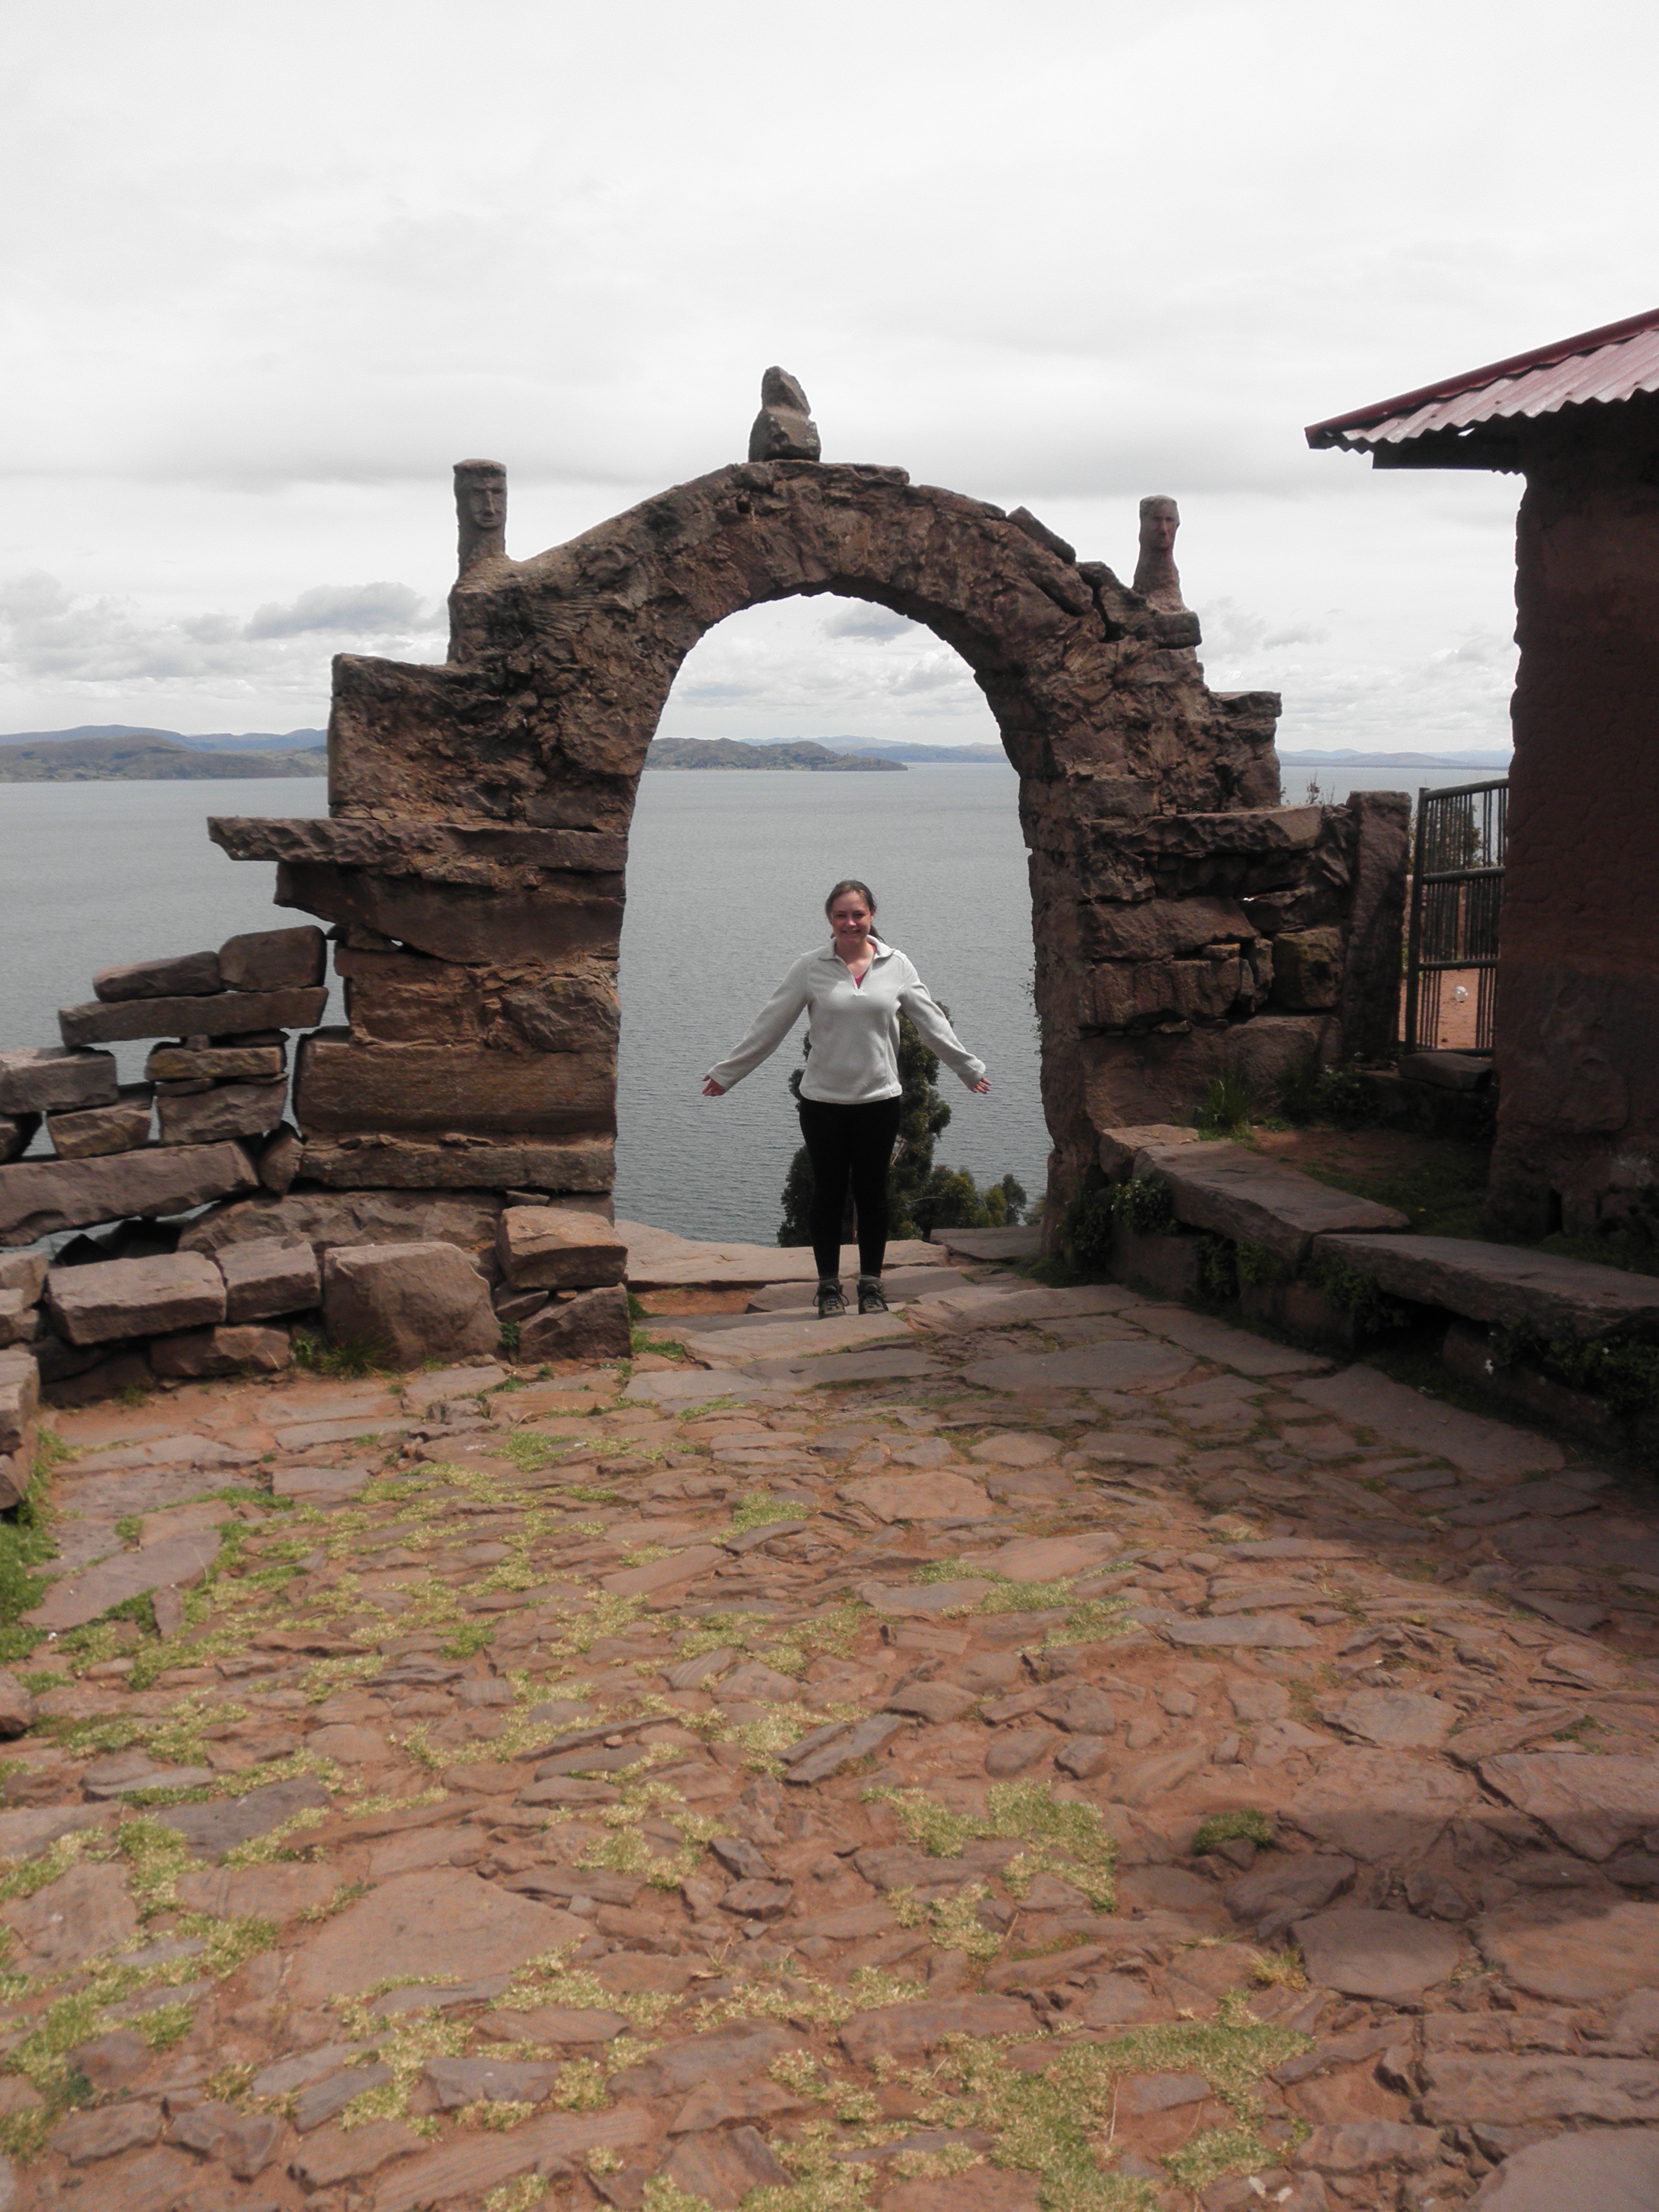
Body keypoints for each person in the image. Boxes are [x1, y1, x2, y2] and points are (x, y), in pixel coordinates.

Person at [702, 879, 989, 1318]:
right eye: (841, 915)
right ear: (830, 919)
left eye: (858, 914)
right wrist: (728, 1074)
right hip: (823, 1104)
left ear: (871, 916)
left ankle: (871, 1286)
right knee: (829, 1194)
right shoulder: (810, 967)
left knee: (873, 1195)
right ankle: (829, 1289)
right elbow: (770, 1024)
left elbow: (931, 1022)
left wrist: (968, 1069)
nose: (850, 923)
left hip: (880, 1100)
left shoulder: (897, 965)